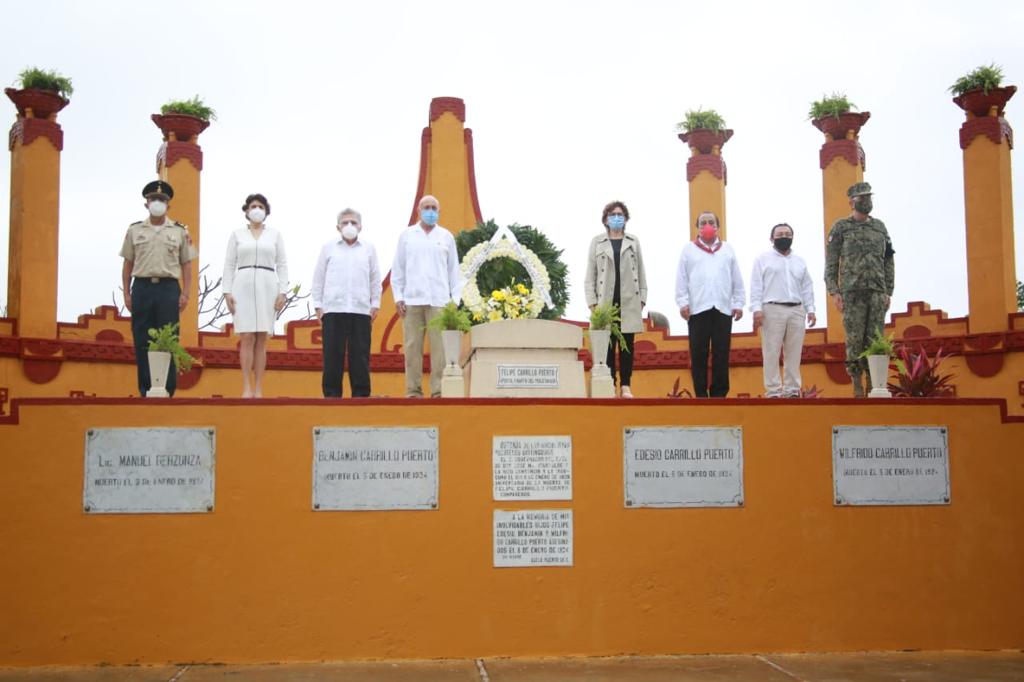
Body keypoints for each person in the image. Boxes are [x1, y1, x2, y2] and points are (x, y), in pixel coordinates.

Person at [119, 180, 196, 397]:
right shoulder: (134, 230)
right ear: (146, 204)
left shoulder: (180, 231)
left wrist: (186, 293)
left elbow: (187, 264)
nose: (157, 203)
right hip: (142, 288)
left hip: (168, 289)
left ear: (168, 205)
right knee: (141, 337)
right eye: (153, 199)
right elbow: (127, 264)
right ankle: (146, 389)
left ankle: (168, 389)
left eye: (162, 200)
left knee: (168, 339)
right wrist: (126, 293)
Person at [825, 182, 895, 397]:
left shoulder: (880, 227)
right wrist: (834, 291)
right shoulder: (841, 227)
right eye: (862, 198)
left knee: (875, 339)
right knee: (855, 339)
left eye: (869, 198)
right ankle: (857, 384)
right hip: (851, 292)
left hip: (876, 291)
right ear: (851, 202)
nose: (866, 202)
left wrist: (888, 291)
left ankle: (875, 385)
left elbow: (888, 260)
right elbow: (832, 261)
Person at [391, 195, 461, 398]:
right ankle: (413, 391)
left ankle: (438, 391)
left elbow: (454, 272)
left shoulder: (446, 237)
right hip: (412, 301)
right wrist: (398, 297)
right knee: (412, 348)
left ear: (439, 212)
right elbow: (398, 270)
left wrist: (454, 301)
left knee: (440, 351)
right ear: (418, 211)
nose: (430, 211)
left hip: (439, 301)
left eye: (434, 208)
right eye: (426, 208)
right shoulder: (406, 236)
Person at [221, 193, 289, 398]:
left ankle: (259, 388)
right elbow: (229, 263)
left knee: (261, 337)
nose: (256, 209)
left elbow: (282, 264)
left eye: (260, 206)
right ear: (246, 211)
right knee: (247, 336)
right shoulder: (237, 234)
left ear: (266, 211)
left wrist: (283, 291)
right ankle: (246, 387)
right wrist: (227, 291)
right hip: (243, 283)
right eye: (253, 206)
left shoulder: (275, 235)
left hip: (268, 284)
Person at [311, 208, 382, 398]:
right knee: (332, 356)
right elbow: (319, 278)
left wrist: (375, 303)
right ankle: (331, 397)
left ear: (360, 226)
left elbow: (375, 278)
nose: (349, 226)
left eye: (353, 222)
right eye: (345, 222)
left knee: (360, 357)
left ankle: (361, 397)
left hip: (360, 310)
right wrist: (318, 305)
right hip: (333, 309)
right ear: (337, 227)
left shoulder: (368, 248)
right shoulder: (328, 248)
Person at [675, 211, 745, 398]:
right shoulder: (688, 250)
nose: (707, 225)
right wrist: (683, 303)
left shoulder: (727, 249)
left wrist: (738, 303)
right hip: (698, 309)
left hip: (722, 308)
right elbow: (681, 279)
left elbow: (736, 278)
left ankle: (719, 394)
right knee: (698, 353)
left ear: (717, 227)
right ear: (697, 227)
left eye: (711, 222)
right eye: (703, 222)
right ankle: (700, 393)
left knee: (721, 353)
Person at [584, 200, 648, 398]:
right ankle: (610, 384)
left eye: (620, 214)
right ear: (605, 219)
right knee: (608, 344)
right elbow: (590, 274)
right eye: (612, 214)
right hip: (605, 301)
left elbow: (641, 271)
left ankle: (626, 385)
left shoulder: (633, 241)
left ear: (626, 218)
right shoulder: (597, 242)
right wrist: (592, 302)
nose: (616, 218)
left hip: (629, 299)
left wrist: (643, 298)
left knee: (627, 343)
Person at [750, 223, 816, 398]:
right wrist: (756, 309)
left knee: (794, 352)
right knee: (771, 351)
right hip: (772, 309)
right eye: (779, 234)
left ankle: (792, 390)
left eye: (787, 234)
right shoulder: (762, 259)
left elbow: (807, 287)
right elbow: (756, 286)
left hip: (796, 309)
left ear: (792, 237)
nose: (783, 237)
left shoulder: (800, 261)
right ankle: (773, 390)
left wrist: (811, 309)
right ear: (772, 238)